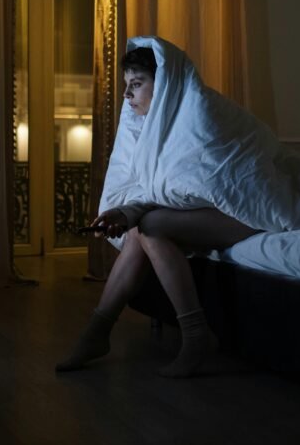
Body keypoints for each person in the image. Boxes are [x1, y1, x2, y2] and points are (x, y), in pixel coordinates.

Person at [55, 47, 259, 378]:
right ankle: (98, 332)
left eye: (136, 83)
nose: (127, 93)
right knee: (141, 228)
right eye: (126, 84)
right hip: (209, 211)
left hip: (246, 212)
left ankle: (191, 335)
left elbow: (206, 184)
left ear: (163, 83)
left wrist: (131, 213)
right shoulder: (157, 126)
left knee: (149, 225)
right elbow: (168, 188)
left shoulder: (200, 113)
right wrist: (125, 213)